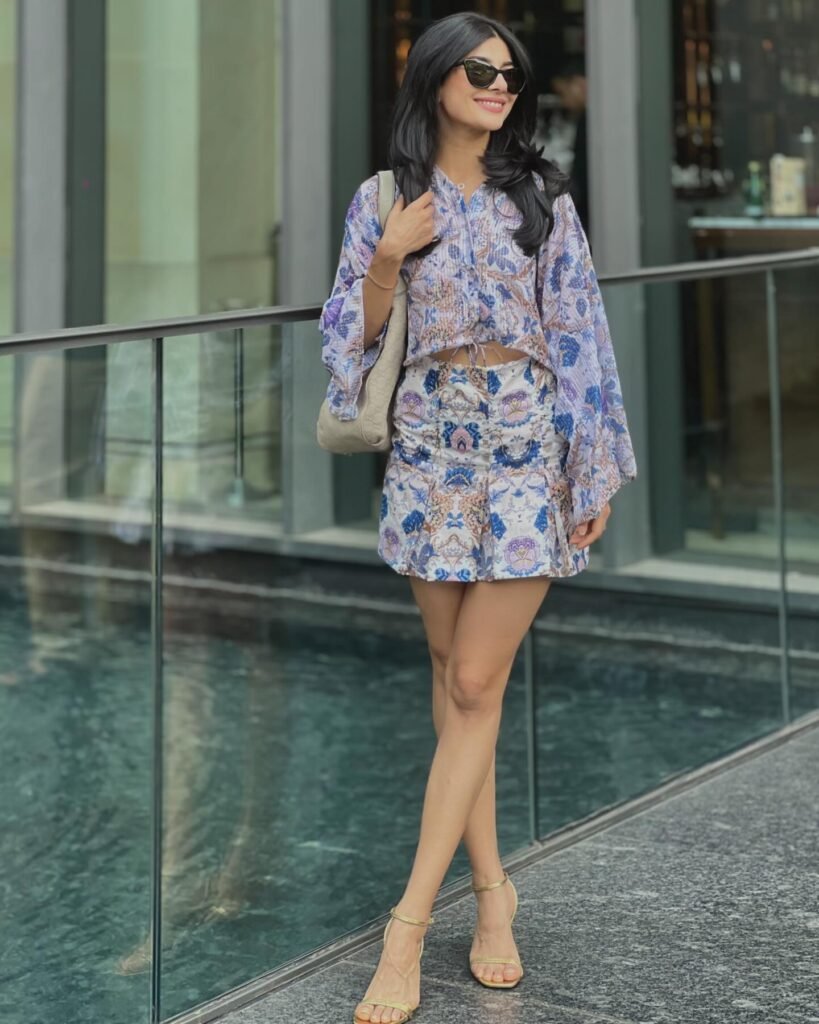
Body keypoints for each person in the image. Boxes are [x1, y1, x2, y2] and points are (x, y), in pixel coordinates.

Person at [317, 12, 637, 1024]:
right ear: (437, 79)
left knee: (472, 676)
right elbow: (345, 345)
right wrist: (384, 262)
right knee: (462, 692)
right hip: (428, 448)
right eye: (482, 71)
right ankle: (494, 895)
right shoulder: (386, 200)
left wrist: (595, 473)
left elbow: (580, 335)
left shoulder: (540, 198)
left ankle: (407, 924)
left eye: (512, 74)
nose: (501, 87)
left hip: (524, 445)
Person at [550, 57, 589, 237]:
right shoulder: (584, 120)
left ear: (580, 84)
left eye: (563, 93)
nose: (563, 102)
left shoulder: (592, 124)